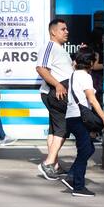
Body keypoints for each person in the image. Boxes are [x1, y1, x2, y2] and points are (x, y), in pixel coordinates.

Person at [60, 47, 104, 196]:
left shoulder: (73, 75)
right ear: (89, 62)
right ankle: (78, 187)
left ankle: (71, 177)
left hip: (72, 117)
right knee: (84, 150)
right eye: (95, 60)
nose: (96, 63)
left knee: (88, 148)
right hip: (79, 117)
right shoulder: (85, 76)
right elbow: (92, 99)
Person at [36, 18, 73, 180]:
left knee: (54, 129)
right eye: (63, 29)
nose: (67, 32)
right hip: (55, 93)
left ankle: (54, 165)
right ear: (53, 31)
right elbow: (41, 68)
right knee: (62, 129)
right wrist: (58, 85)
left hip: (58, 93)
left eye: (66, 29)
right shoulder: (49, 46)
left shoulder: (59, 49)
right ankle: (48, 163)